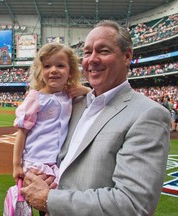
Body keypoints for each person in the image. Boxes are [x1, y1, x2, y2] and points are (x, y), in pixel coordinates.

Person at [20, 20, 171, 216]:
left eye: (103, 51)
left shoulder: (148, 114)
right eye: (87, 52)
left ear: (127, 56)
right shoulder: (75, 104)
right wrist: (40, 176)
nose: (92, 59)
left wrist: (49, 199)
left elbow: (133, 204)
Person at [8, 43, 90, 214]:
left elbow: (96, 99)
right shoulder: (36, 97)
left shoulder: (70, 94)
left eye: (60, 65)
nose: (53, 70)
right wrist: (16, 165)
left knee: (55, 204)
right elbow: (22, 133)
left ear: (71, 70)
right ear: (40, 70)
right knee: (44, 204)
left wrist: (86, 89)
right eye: (47, 66)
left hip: (58, 162)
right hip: (36, 161)